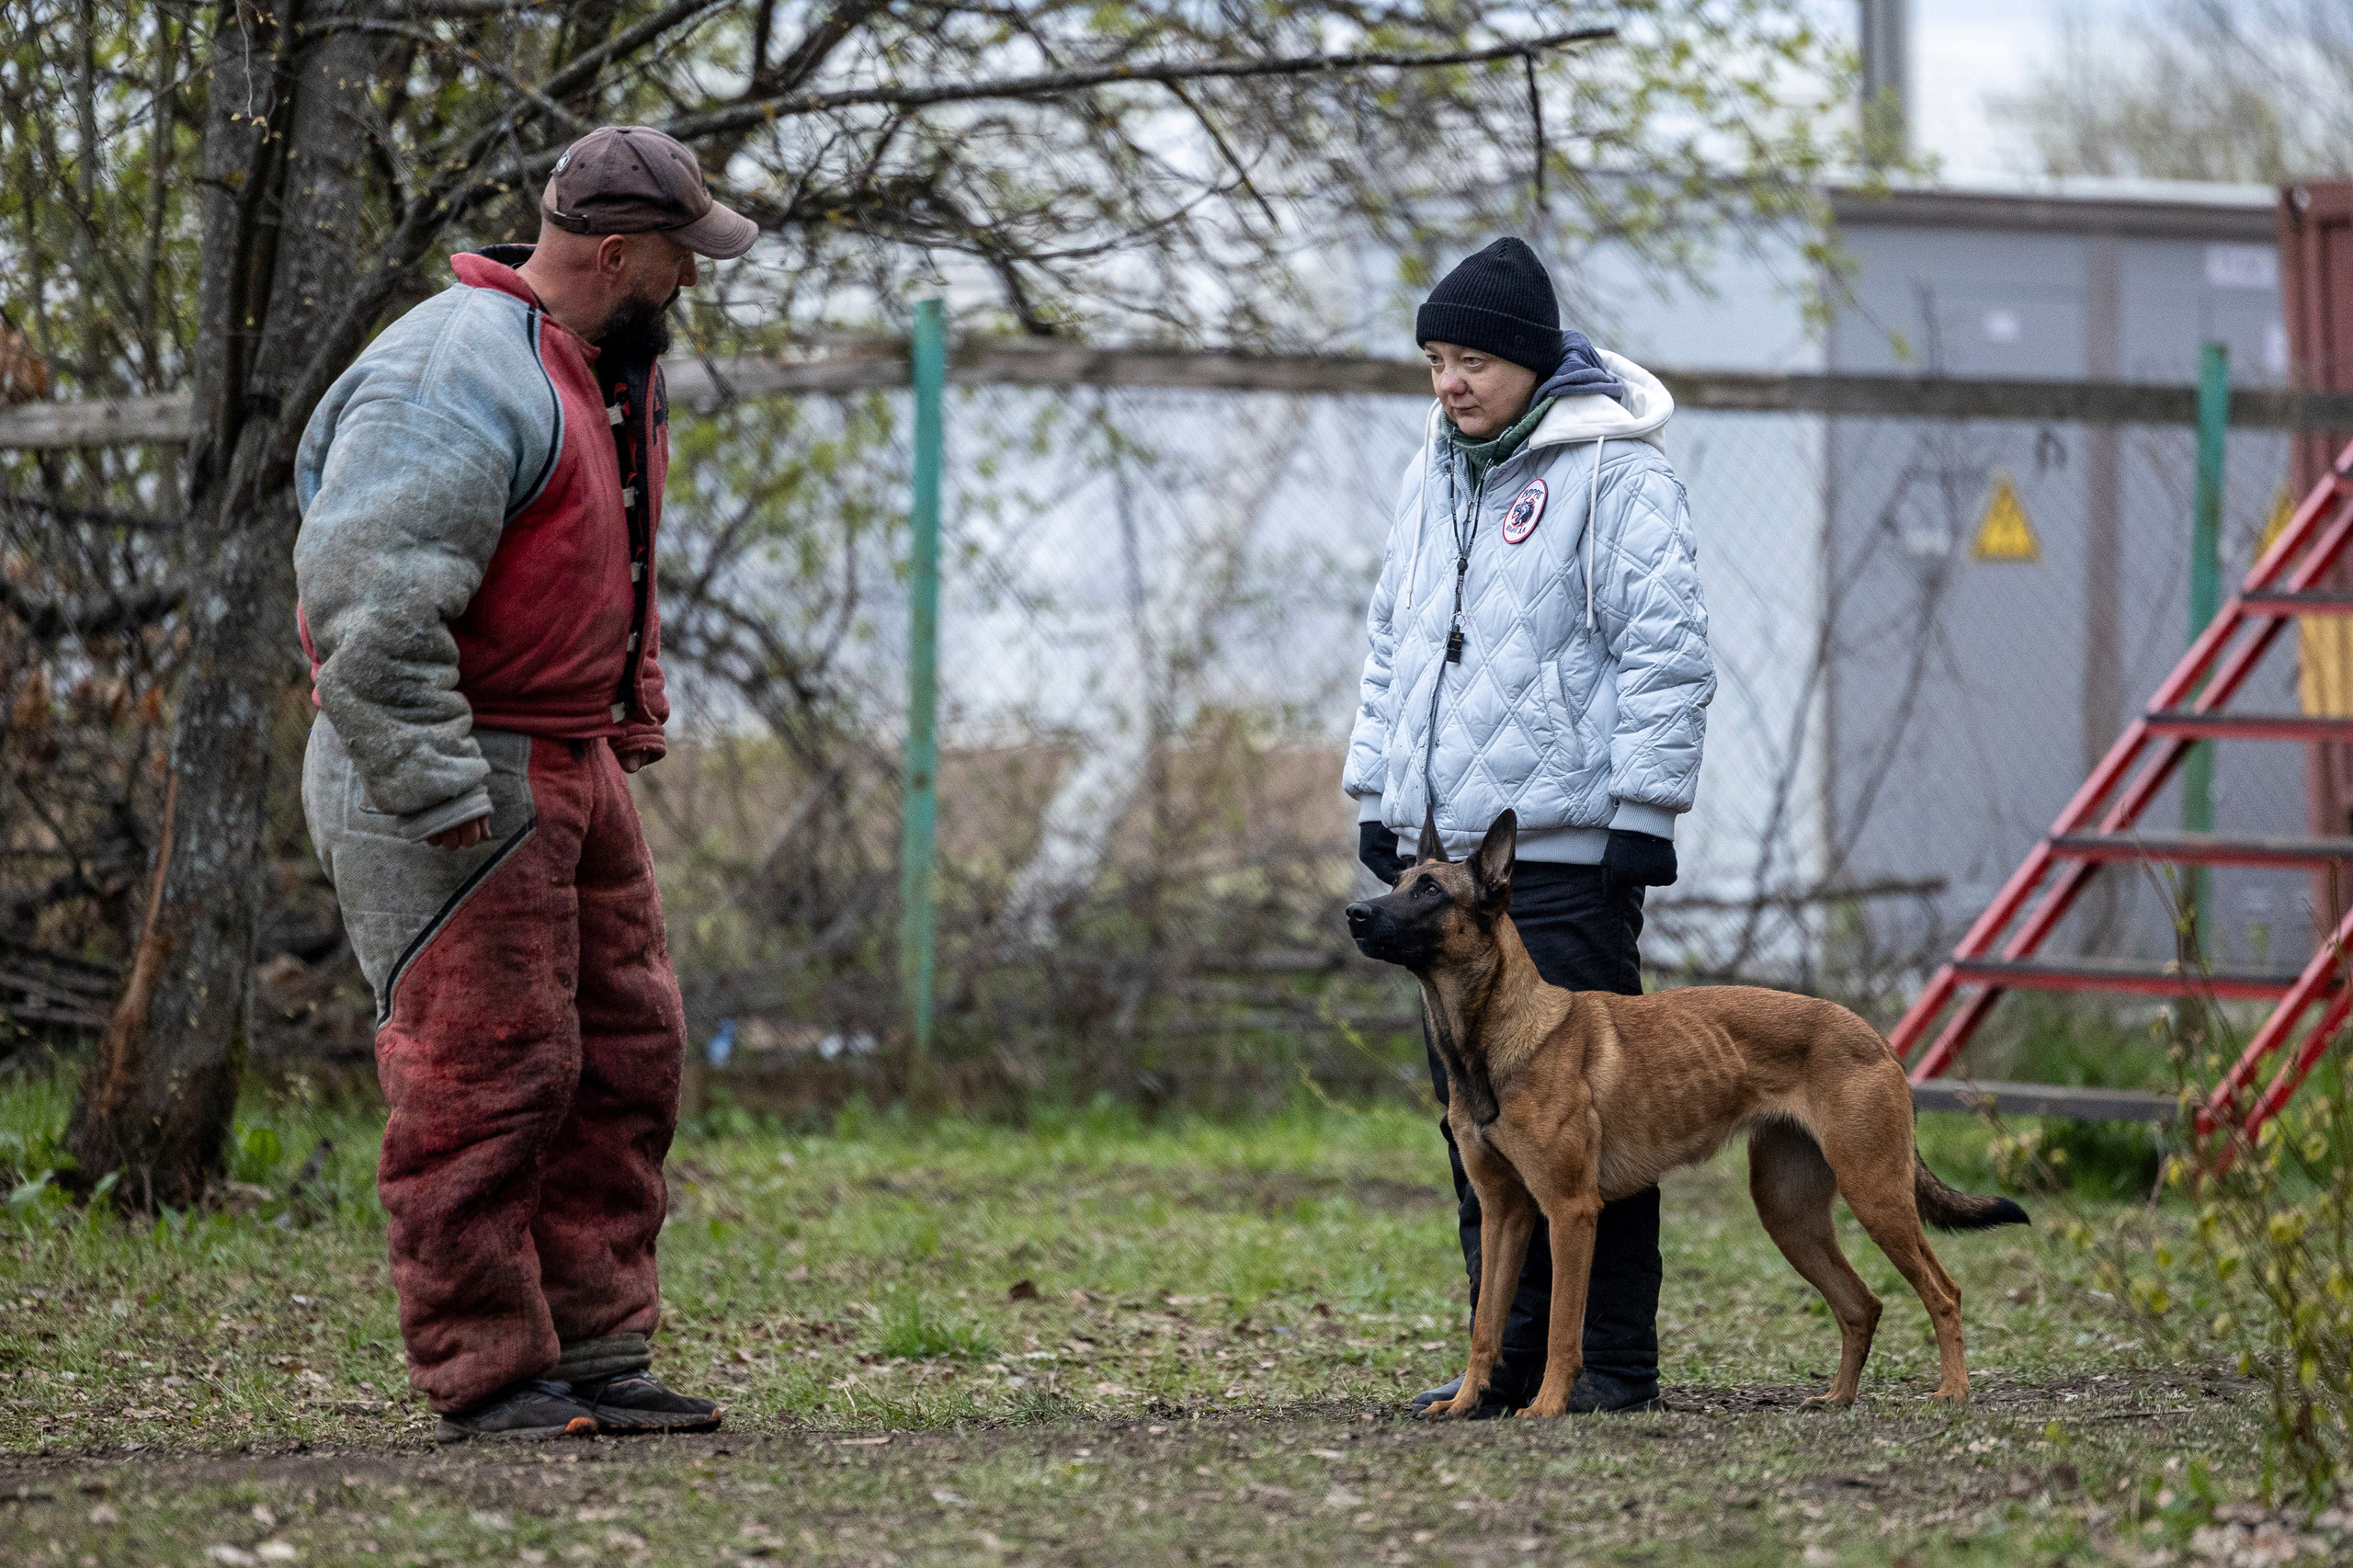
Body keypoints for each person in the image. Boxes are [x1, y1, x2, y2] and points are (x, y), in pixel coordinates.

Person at [292, 126, 756, 1441]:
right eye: (680, 256)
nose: (691, 281)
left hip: (568, 751)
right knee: (487, 1070)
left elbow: (610, 561)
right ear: (616, 251)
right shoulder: (452, 374)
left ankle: (596, 1350)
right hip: (454, 754)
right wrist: (437, 786)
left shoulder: (604, 364)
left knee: (622, 1052)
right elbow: (367, 611)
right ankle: (491, 1367)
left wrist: (627, 718)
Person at [1342, 237, 1715, 1415]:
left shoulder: (1616, 471)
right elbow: (1391, 646)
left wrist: (1643, 813)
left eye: (1472, 361)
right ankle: (1497, 1366)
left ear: (1531, 359)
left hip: (1560, 861)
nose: (1448, 383)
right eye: (1435, 360)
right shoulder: (1434, 471)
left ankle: (1609, 1365)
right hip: (1445, 858)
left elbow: (1667, 652)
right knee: (1478, 1131)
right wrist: (1378, 798)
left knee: (1594, 1134)